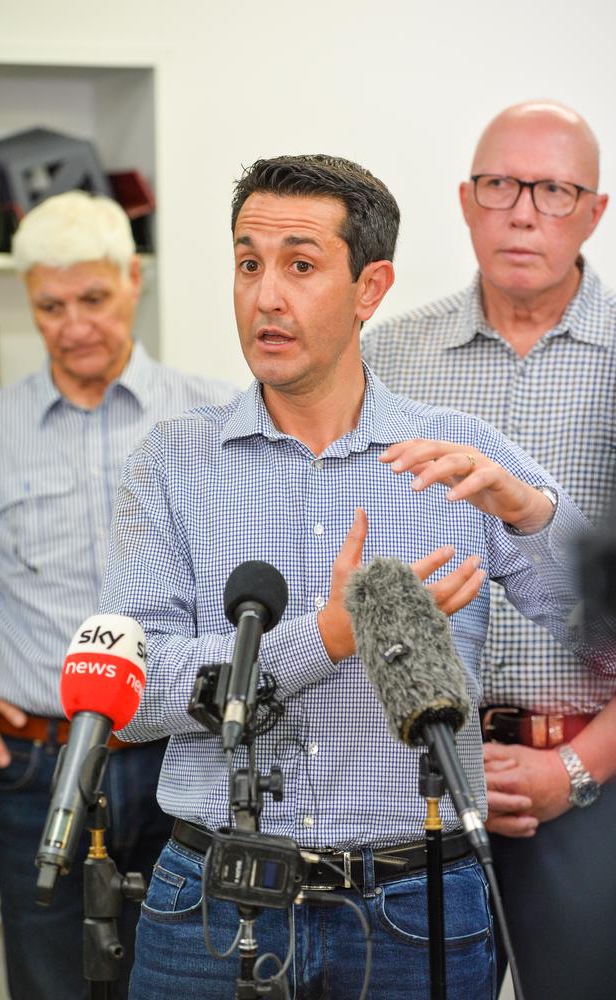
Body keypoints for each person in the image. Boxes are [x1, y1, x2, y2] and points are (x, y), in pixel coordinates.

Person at [98, 154, 607, 1000]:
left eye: (300, 266)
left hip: (416, 911)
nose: (266, 296)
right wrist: (330, 637)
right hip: (211, 909)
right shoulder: (173, 463)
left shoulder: (460, 457)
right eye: (248, 263)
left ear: (370, 288)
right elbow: (137, 692)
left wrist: (534, 515)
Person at [362, 100, 616, 1000]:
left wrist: (576, 769)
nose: (522, 210)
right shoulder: (385, 357)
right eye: (502, 185)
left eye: (555, 190)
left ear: (596, 211)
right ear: (466, 202)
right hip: (414, 782)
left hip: (586, 776)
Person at [0, 190, 237, 1000]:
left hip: (180, 757)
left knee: (186, 979)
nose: (75, 324)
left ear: (134, 279)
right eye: (51, 306)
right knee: (51, 986)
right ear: (29, 304)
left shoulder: (214, 417)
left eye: (94, 298)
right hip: (33, 765)